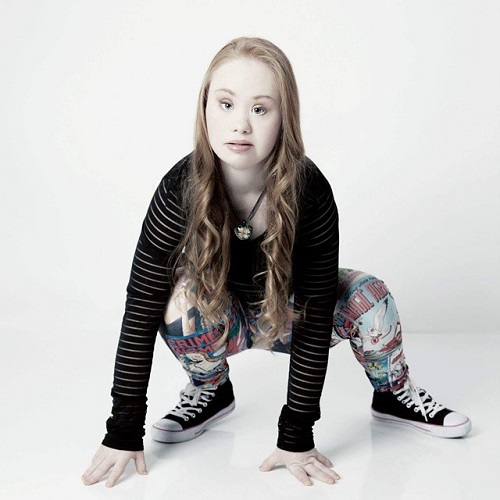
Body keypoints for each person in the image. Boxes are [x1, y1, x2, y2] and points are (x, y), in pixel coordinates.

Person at [81, 36, 471, 489]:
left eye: (260, 108)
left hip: (289, 314)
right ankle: (210, 390)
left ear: (285, 117)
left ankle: (393, 394)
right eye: (226, 104)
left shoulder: (310, 190)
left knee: (370, 296)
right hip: (223, 316)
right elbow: (141, 303)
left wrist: (296, 435)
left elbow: (316, 311)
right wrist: (123, 429)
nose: (240, 124)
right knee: (172, 294)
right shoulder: (179, 188)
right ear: (204, 108)